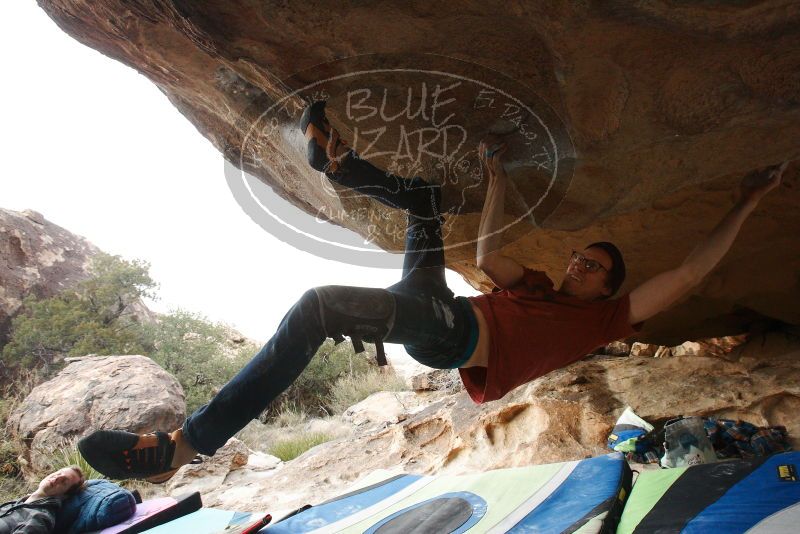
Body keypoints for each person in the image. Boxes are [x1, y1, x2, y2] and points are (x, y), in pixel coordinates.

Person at [78, 101, 788, 482]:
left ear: (612, 286)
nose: (580, 264)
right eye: (581, 256)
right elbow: (482, 254)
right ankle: (342, 163)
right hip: (440, 307)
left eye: (595, 265)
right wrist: (500, 178)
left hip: (449, 335)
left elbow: (692, 273)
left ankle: (187, 444)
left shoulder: (607, 319)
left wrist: (749, 202)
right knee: (426, 201)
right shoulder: (537, 286)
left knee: (318, 306)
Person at [0, 466, 85, 534]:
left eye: (63, 482)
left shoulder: (39, 519)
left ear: (65, 495)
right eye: (58, 473)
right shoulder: (15, 503)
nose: (56, 478)